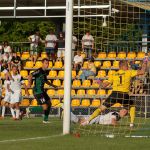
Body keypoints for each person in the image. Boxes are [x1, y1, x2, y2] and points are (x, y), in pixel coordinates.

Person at [81, 59, 148, 127]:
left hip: (114, 94)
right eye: (126, 66)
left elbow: (103, 86)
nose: (128, 67)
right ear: (122, 66)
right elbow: (142, 71)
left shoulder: (114, 74)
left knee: (100, 108)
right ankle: (131, 124)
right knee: (132, 106)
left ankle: (87, 121)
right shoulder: (129, 72)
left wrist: (98, 81)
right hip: (124, 95)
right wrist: (145, 62)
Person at [28, 58, 58, 123]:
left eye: (48, 63)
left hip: (42, 91)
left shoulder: (44, 72)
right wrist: (29, 84)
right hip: (37, 91)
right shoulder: (39, 70)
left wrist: (53, 86)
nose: (47, 65)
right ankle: (30, 110)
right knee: (45, 106)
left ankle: (45, 120)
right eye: (46, 63)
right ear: (43, 63)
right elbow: (30, 75)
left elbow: (46, 81)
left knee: (49, 103)